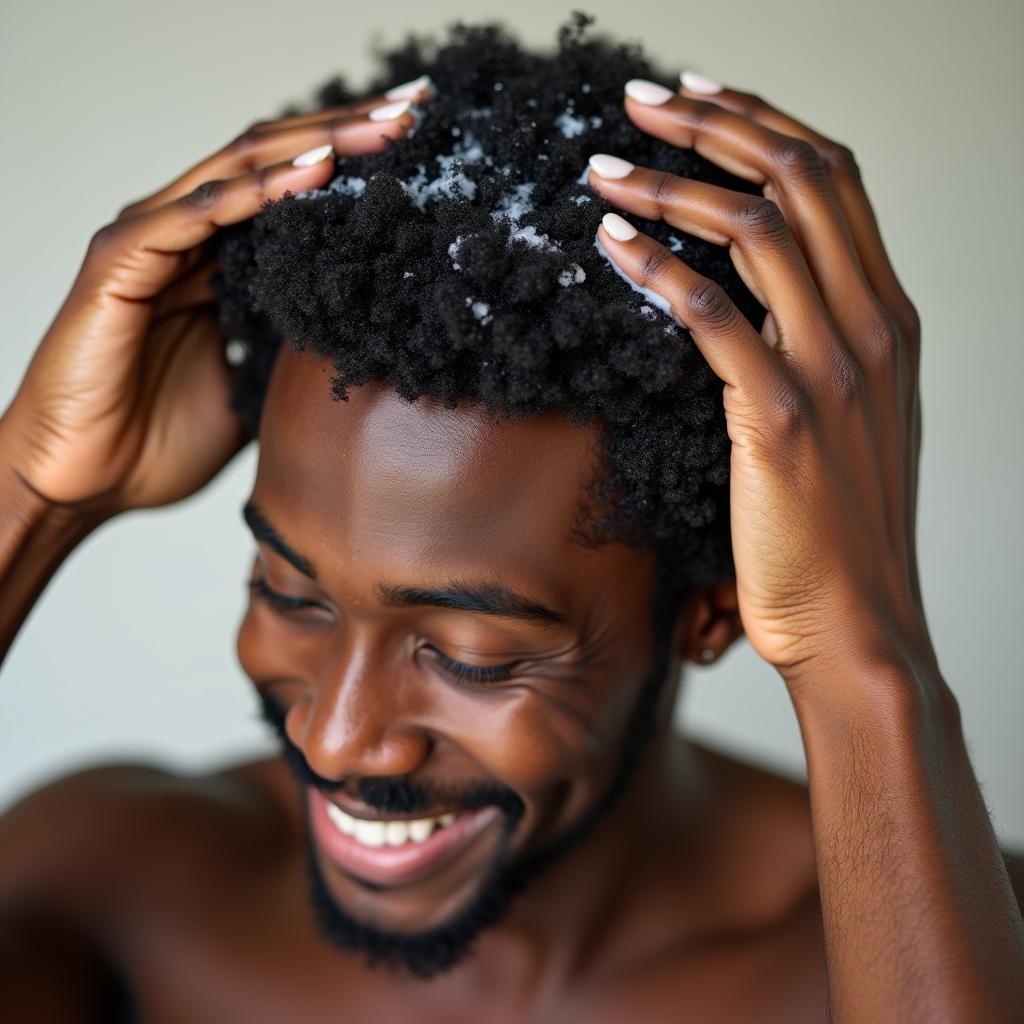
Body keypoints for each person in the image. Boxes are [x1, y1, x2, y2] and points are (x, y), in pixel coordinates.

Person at [1, 14, 1022, 1021]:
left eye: (473, 655)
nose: (337, 738)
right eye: (288, 593)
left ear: (715, 604)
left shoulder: (954, 949)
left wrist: (864, 662)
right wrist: (33, 492)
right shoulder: (115, 888)